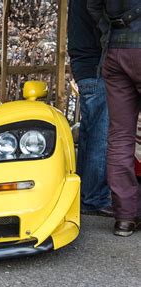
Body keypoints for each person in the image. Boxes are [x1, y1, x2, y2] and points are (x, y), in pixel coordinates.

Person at [88, 0, 141, 236]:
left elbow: (93, 5)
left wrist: (111, 29)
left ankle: (125, 218)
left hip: (115, 51)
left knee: (120, 137)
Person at [68, 0, 113, 217]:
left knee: (89, 131)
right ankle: (95, 198)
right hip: (96, 65)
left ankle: (84, 193)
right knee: (100, 135)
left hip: (83, 65)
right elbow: (104, 27)